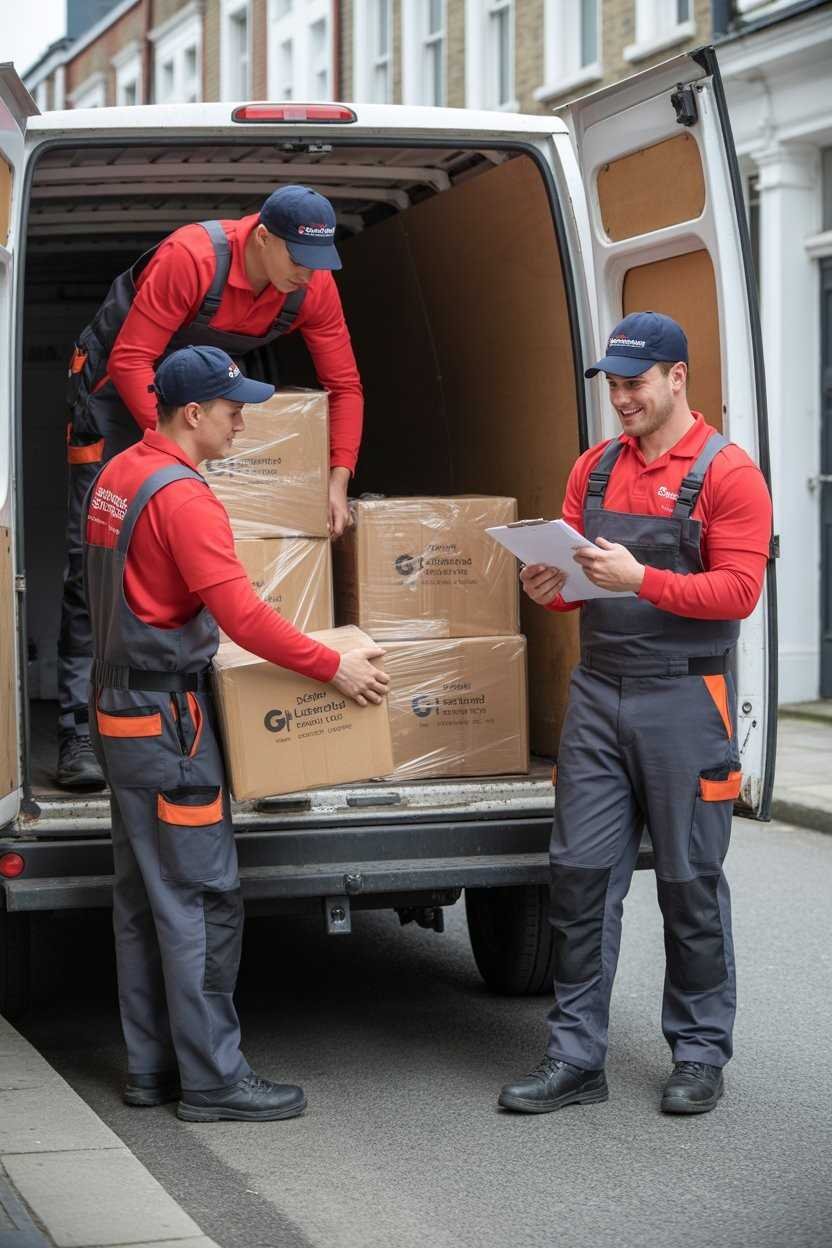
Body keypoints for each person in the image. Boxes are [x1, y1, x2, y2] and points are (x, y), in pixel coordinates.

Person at [85, 345, 388, 1123]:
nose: (242, 419)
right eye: (232, 408)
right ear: (192, 414)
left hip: (120, 710)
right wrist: (333, 666)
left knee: (142, 897)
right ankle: (215, 1080)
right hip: (170, 726)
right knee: (200, 898)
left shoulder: (118, 478)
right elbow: (244, 618)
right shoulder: (185, 499)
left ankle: (152, 1069)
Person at [498, 312, 772, 1117]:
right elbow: (574, 575)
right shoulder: (591, 471)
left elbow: (740, 592)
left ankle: (698, 1055)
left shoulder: (728, 474)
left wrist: (640, 579)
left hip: (687, 697)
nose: (621, 399)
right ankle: (576, 1056)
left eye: (635, 384)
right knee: (578, 879)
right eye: (613, 385)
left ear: (677, 377)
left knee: (689, 884)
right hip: (599, 691)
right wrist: (546, 587)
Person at [59, 184, 362, 789]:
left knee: (204, 552)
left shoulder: (312, 282)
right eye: (300, 263)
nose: (310, 277)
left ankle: (215, 708)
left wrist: (337, 479)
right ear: (264, 239)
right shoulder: (192, 258)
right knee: (98, 553)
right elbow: (132, 359)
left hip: (206, 403)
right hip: (121, 393)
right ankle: (78, 729)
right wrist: (175, 461)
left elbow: (345, 384)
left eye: (320, 264)